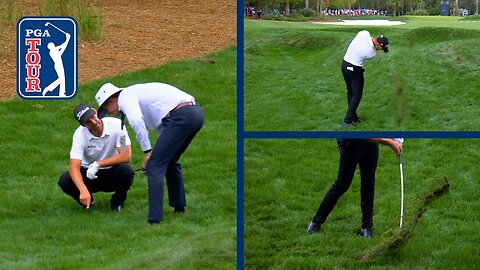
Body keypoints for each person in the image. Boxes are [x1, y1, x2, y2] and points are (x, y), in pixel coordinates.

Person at [95, 82, 205, 224]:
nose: (108, 113)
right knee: (169, 160)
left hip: (181, 116)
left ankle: (154, 220)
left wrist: (147, 152)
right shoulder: (136, 93)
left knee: (154, 166)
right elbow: (166, 131)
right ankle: (179, 208)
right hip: (195, 114)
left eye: (106, 108)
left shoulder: (125, 97)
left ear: (110, 101)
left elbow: (136, 121)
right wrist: (154, 154)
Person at [307, 138, 402, 238]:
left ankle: (366, 227)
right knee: (342, 184)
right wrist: (389, 142)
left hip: (371, 141)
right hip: (351, 141)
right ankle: (316, 222)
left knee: (369, 182)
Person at [58, 104, 134, 211]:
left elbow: (126, 156)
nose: (94, 122)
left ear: (95, 111)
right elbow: (74, 167)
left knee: (127, 171)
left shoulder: (116, 125)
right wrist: (83, 190)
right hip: (89, 174)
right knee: (65, 181)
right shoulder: (79, 135)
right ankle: (89, 202)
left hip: (112, 171)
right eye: (88, 121)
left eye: (93, 117)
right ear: (84, 125)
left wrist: (98, 164)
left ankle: (117, 202)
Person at [341, 31, 389, 128]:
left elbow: (363, 33)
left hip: (344, 64)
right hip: (354, 69)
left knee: (350, 92)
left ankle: (353, 116)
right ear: (377, 44)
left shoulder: (364, 33)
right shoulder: (371, 53)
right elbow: (372, 50)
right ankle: (347, 121)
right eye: (381, 48)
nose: (380, 50)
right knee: (357, 95)